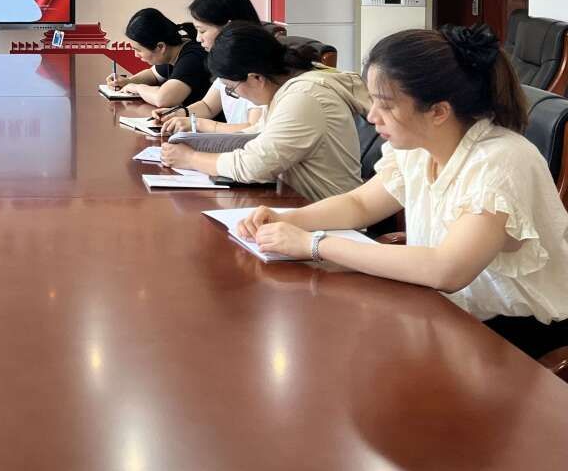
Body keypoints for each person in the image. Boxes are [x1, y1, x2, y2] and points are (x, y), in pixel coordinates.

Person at [238, 25, 568, 359]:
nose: (372, 116)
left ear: (438, 111)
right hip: (447, 309)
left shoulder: (500, 162)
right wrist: (287, 219)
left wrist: (314, 245)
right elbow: (360, 203)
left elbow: (447, 269)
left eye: (386, 105)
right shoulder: (418, 145)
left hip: (518, 333)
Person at [161, 22, 367, 201]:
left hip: (329, 218)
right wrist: (195, 143)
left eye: (232, 89)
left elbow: (254, 165)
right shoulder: (284, 89)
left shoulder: (303, 97)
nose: (236, 95)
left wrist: (192, 158)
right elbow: (255, 136)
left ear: (256, 78)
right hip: (298, 203)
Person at [158, 0, 265, 135]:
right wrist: (178, 114)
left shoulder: (259, 65)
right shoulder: (226, 60)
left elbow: (253, 130)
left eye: (202, 31)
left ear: (228, 28)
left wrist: (198, 124)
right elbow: (208, 106)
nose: (198, 38)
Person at [106, 8, 210, 108]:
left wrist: (137, 88)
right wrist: (127, 82)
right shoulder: (173, 50)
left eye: (138, 50)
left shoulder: (193, 57)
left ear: (160, 47)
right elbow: (154, 75)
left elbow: (164, 99)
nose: (136, 55)